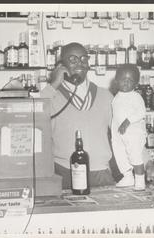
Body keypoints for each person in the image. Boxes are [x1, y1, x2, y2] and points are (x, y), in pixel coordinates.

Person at [41, 42, 118, 189]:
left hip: (100, 174)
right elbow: (33, 118)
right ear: (60, 65)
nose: (80, 64)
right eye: (73, 59)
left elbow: (126, 134)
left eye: (84, 59)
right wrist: (54, 85)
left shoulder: (105, 95)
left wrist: (148, 163)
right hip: (64, 173)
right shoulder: (52, 96)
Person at [111, 64, 147, 191]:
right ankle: (127, 176)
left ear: (136, 83)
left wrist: (127, 121)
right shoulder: (116, 97)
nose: (126, 82)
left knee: (135, 155)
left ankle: (140, 180)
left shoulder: (136, 97)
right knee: (120, 154)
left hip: (133, 133)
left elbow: (141, 112)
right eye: (123, 79)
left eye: (130, 80)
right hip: (118, 133)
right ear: (116, 81)